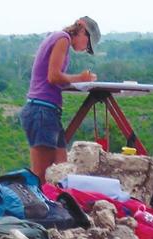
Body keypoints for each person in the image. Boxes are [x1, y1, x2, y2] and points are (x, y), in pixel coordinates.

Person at [21, 16, 101, 183]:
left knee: (61, 171)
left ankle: (57, 206)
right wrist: (80, 78)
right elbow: (53, 77)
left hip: (47, 111)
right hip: (42, 111)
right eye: (87, 44)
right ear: (81, 30)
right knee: (43, 176)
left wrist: (77, 81)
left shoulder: (57, 38)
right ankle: (39, 207)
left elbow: (51, 78)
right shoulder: (62, 38)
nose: (85, 48)